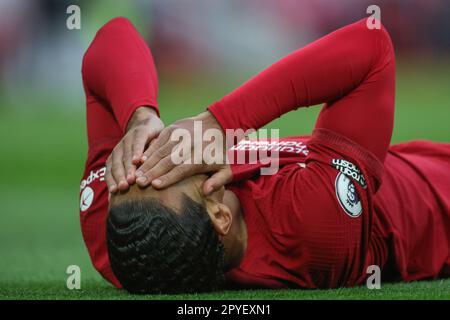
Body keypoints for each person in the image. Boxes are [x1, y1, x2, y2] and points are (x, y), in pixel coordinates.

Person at [80, 17, 450, 294]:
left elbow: (114, 34)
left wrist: (138, 116)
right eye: (167, 170)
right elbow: (372, 43)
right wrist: (219, 122)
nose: (155, 155)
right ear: (220, 214)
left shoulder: (120, 238)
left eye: (138, 163)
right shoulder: (309, 225)